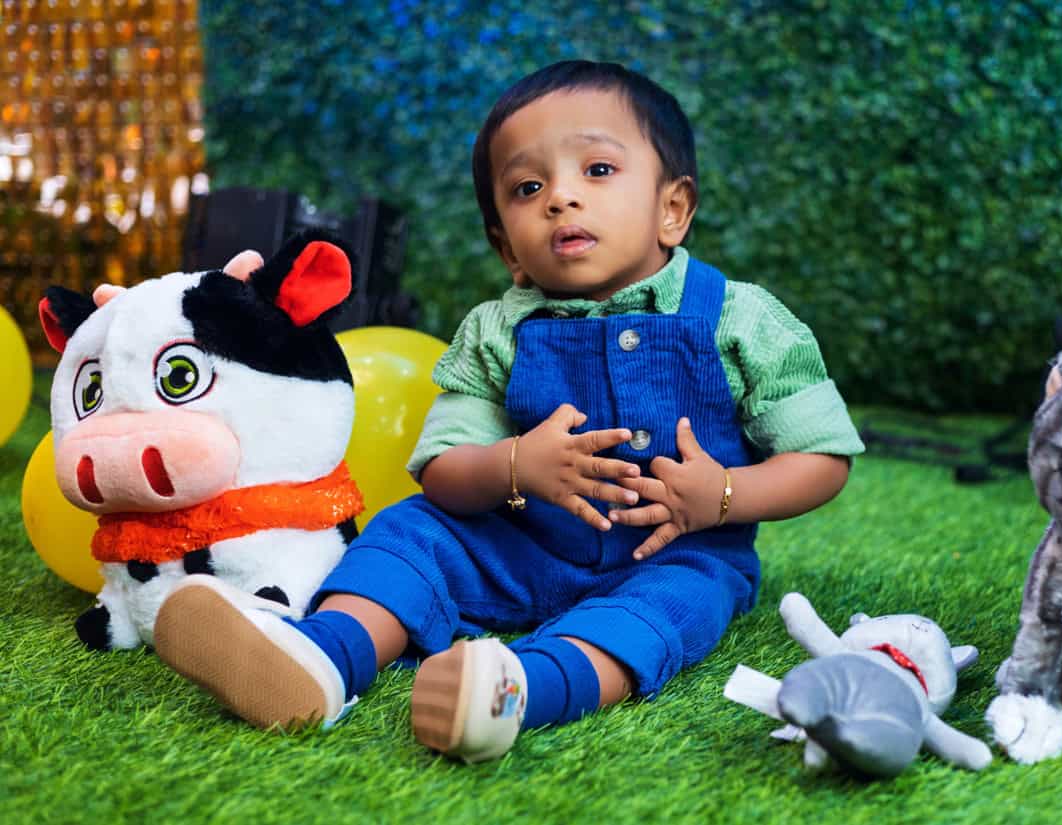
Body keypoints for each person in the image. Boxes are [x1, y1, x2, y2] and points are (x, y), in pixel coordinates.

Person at [154, 60, 865, 763]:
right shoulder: (496, 330)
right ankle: (323, 655)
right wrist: (514, 464)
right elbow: (444, 471)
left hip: (674, 553)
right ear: (507, 249)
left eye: (597, 171)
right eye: (529, 187)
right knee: (412, 533)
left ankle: (519, 688)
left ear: (672, 208)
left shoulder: (741, 319)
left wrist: (727, 495)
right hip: (518, 545)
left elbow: (822, 455)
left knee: (663, 614)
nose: (561, 198)